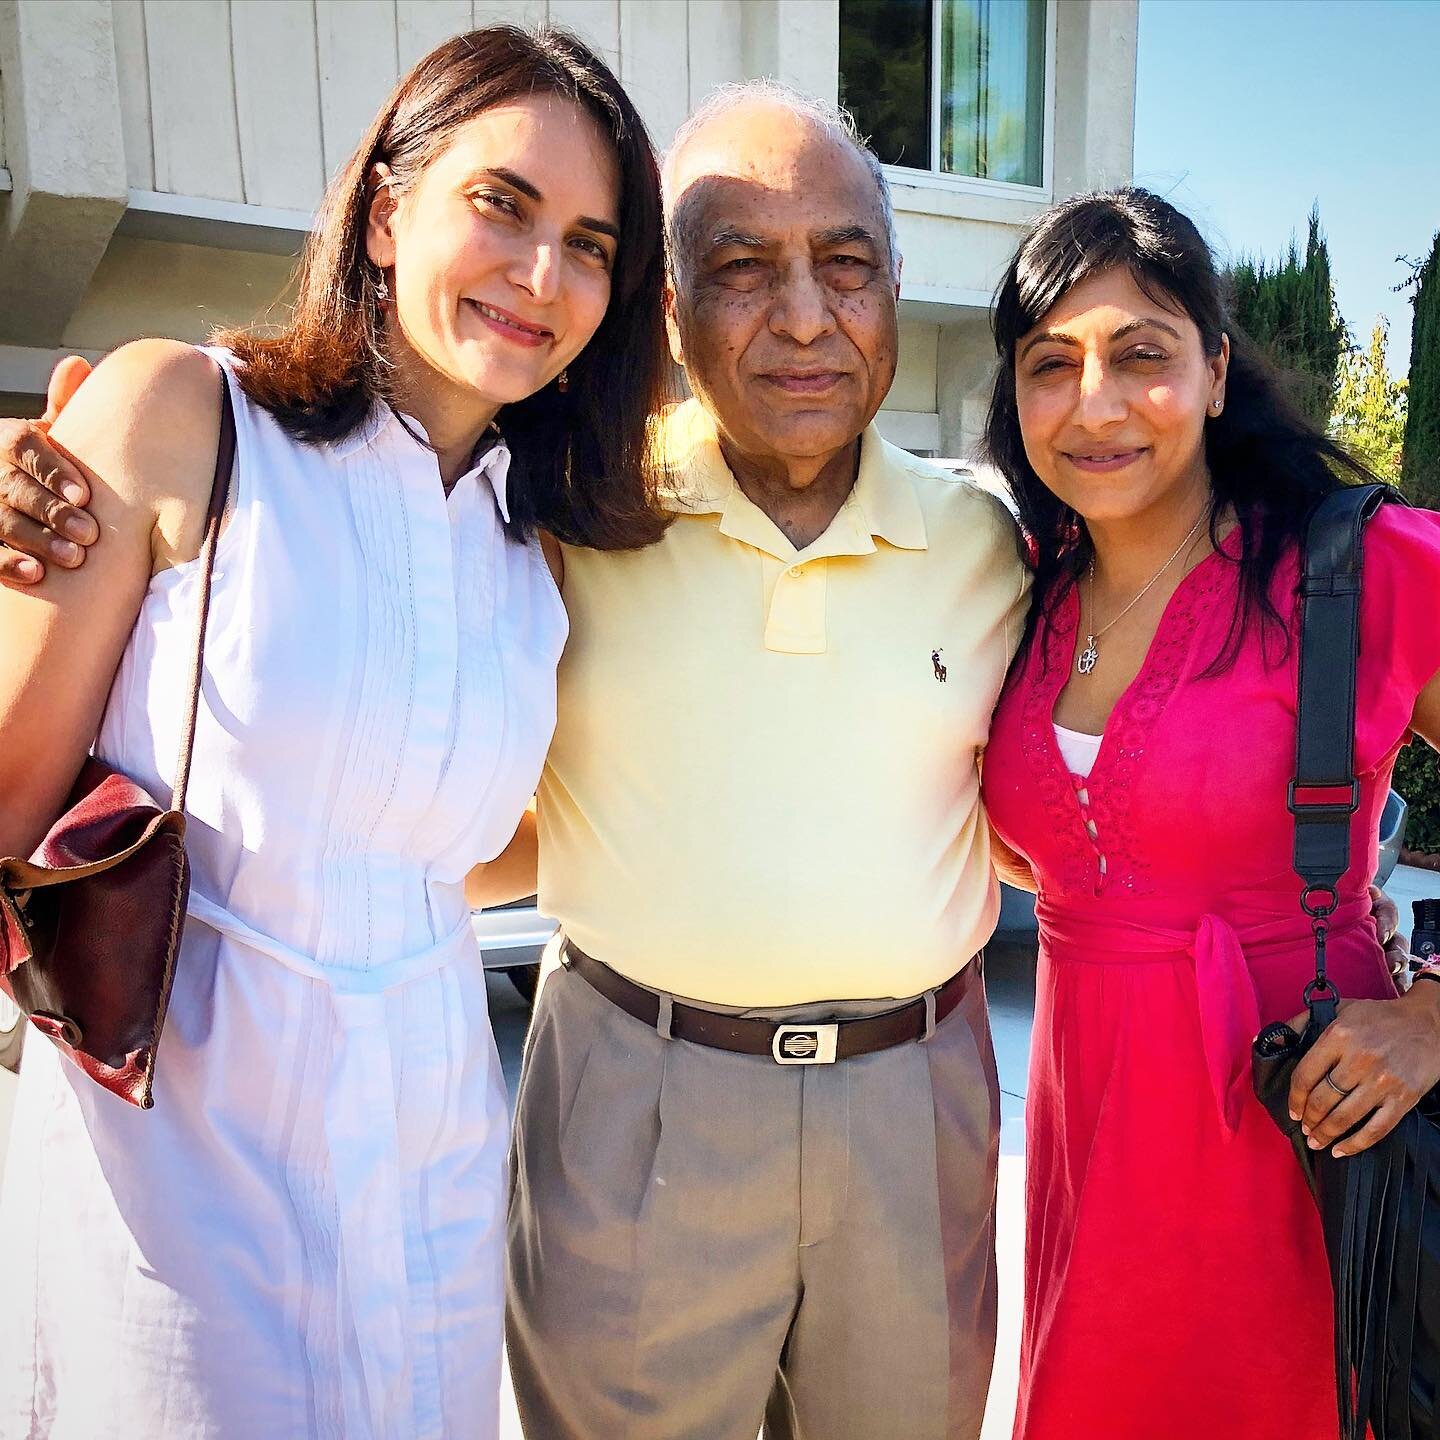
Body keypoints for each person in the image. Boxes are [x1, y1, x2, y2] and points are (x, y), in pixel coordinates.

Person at [0, 24, 669, 1440]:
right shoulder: (180, 413)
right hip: (181, 1139)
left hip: (431, 1144)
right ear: (385, 209)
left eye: (593, 243)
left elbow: (439, 850)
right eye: (503, 205)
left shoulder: (528, 546)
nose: (542, 276)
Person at [978, 187, 1440, 1439]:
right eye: (1050, 364)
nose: (1096, 402)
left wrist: (1436, 1007)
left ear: (1220, 371)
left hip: (1297, 1134)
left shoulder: (1359, 564)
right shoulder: (1020, 589)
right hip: (1087, 1131)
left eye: (1142, 355)